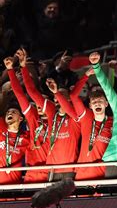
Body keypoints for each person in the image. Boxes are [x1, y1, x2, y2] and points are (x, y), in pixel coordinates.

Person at [21, 50, 81, 181]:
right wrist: (23, 68)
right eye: (55, 98)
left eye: (61, 97)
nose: (57, 100)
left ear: (69, 100)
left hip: (69, 171)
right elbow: (32, 92)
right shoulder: (51, 114)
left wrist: (58, 93)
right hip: (51, 171)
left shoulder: (76, 118)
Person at [46, 71, 113, 180]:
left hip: (103, 174)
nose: (97, 103)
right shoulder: (86, 117)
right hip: (82, 173)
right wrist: (86, 75)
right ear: (90, 106)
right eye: (94, 102)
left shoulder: (113, 122)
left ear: (106, 104)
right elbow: (73, 95)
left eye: (100, 101)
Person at [5, 53, 48, 182]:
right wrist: (11, 70)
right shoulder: (33, 117)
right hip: (31, 173)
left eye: (43, 102)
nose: (39, 104)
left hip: (51, 173)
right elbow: (21, 94)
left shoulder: (54, 118)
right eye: (38, 102)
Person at [0, 103, 29, 184]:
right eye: (8, 112)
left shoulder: (26, 138)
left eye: (14, 112)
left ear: (20, 118)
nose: (10, 113)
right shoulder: (1, 130)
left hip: (15, 184)